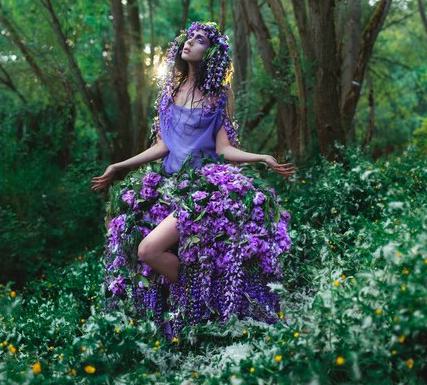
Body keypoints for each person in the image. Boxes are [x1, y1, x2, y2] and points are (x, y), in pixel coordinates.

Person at [90, 21, 295, 340]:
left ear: (210, 53)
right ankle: (188, 318)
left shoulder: (218, 96)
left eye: (199, 40)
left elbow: (224, 150)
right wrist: (118, 166)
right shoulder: (170, 90)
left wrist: (262, 158)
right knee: (134, 249)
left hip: (203, 190)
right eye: (189, 38)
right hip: (167, 187)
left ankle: (203, 299)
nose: (189, 43)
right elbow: (163, 145)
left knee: (148, 251)